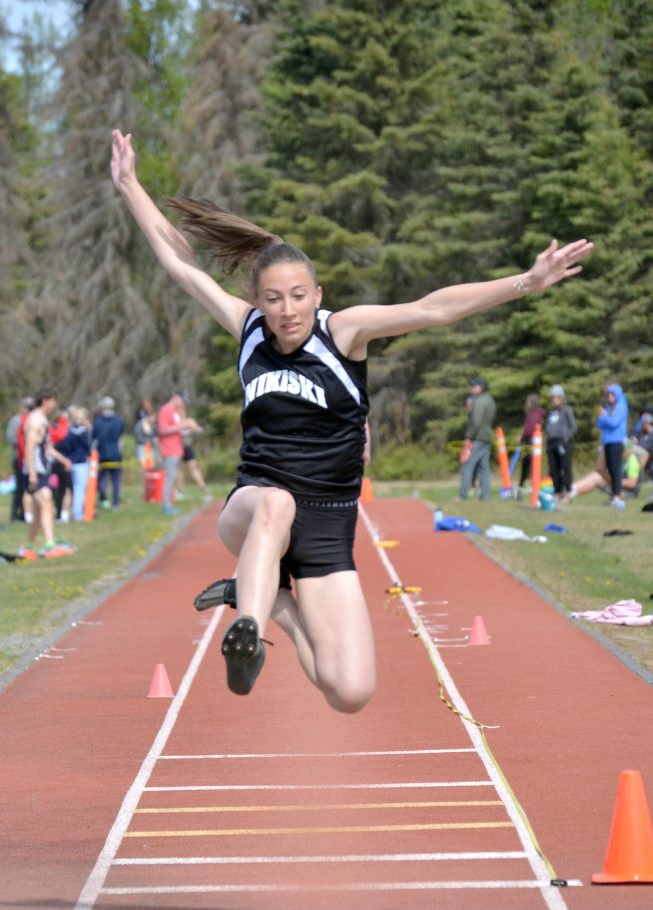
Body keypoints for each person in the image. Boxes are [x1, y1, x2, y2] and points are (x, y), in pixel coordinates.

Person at [111, 127, 593, 711]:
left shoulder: (343, 333)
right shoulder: (247, 331)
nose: (285, 310)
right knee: (275, 503)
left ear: (317, 294)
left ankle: (269, 605)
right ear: (258, 301)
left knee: (351, 691)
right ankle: (249, 639)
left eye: (296, 296)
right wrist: (131, 185)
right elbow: (181, 264)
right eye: (272, 298)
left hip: (327, 529)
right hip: (255, 509)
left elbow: (432, 308)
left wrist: (527, 282)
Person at [20, 388, 75, 559]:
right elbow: (29, 447)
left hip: (41, 469)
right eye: (54, 401)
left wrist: (62, 459)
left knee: (39, 510)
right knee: (46, 501)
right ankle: (50, 545)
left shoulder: (42, 420)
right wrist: (32, 474)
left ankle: (27, 546)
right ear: (45, 400)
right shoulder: (35, 420)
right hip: (35, 470)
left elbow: (46, 447)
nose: (55, 405)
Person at [560, 439, 643, 506]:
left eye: (623, 449)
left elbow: (632, 483)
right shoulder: (621, 459)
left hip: (628, 492)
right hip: (619, 488)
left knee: (597, 477)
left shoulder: (632, 460)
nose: (621, 451)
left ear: (629, 450)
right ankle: (569, 492)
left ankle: (568, 491)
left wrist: (612, 480)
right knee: (598, 475)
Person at [458, 378, 496, 501]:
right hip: (487, 436)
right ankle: (485, 496)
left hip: (477, 437)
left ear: (481, 387)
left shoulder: (479, 402)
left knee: (467, 464)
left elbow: (476, 421)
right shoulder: (490, 400)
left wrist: (469, 437)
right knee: (483, 467)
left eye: (474, 386)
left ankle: (463, 495)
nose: (472, 388)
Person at [596, 383, 629, 509]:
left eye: (612, 394)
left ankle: (617, 496)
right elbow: (600, 424)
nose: (609, 397)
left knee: (616, 469)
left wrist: (604, 416)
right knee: (609, 468)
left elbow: (614, 422)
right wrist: (603, 417)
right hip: (607, 441)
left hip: (617, 441)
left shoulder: (621, 406)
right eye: (608, 394)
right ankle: (616, 493)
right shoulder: (608, 408)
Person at [92, 396, 125, 509]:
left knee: (100, 479)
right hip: (116, 453)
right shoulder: (119, 420)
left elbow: (94, 437)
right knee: (115, 481)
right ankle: (115, 503)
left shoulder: (97, 421)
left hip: (102, 454)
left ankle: (102, 499)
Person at [545, 384, 577, 500]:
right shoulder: (550, 412)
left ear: (561, 398)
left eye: (556, 397)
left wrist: (566, 437)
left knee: (565, 466)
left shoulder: (567, 410)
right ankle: (557, 491)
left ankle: (568, 491)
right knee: (554, 469)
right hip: (551, 442)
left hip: (563, 442)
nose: (554, 400)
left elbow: (573, 427)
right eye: (552, 398)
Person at [61, 406, 92, 521]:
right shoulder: (82, 432)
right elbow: (87, 447)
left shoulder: (68, 430)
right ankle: (78, 513)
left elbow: (65, 447)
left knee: (69, 489)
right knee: (79, 489)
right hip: (81, 463)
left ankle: (65, 512)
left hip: (70, 462)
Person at [157, 390, 186, 514]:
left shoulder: (174, 411)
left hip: (176, 448)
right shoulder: (165, 409)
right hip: (169, 449)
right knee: (169, 477)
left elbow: (176, 428)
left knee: (173, 477)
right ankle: (166, 506)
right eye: (181, 401)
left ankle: (169, 504)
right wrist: (183, 426)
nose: (182, 404)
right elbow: (162, 430)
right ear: (175, 397)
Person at [6, 396, 34, 522]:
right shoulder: (16, 420)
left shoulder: (34, 419)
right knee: (20, 487)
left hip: (32, 459)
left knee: (29, 488)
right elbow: (11, 439)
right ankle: (14, 514)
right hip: (19, 458)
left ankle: (26, 513)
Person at [178, 392, 208, 494]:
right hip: (177, 446)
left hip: (187, 446)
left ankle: (202, 486)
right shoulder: (175, 421)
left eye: (183, 410)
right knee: (180, 469)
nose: (182, 411)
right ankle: (181, 489)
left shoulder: (189, 420)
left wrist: (194, 429)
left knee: (193, 466)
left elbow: (198, 429)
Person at [517, 393, 546, 491]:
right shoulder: (535, 414)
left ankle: (526, 484)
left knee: (528, 463)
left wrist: (521, 438)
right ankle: (523, 484)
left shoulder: (534, 414)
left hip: (530, 441)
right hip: (531, 441)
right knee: (528, 463)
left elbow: (529, 430)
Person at [134, 398, 157, 467]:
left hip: (151, 448)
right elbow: (138, 437)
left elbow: (156, 434)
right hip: (142, 448)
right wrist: (151, 440)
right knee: (144, 467)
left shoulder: (153, 426)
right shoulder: (140, 424)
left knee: (151, 467)